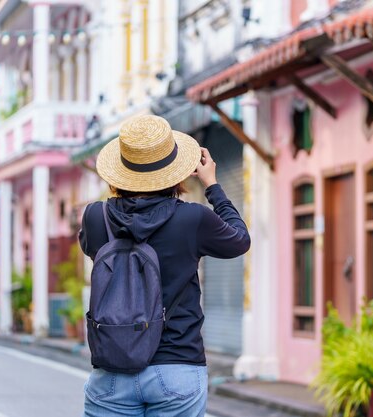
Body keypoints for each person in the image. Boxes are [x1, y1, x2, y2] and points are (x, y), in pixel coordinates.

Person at [79, 115, 250, 417]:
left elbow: (94, 250)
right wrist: (212, 186)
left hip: (112, 371)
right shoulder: (193, 219)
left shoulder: (96, 217)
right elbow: (239, 240)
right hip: (178, 368)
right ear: (176, 172)